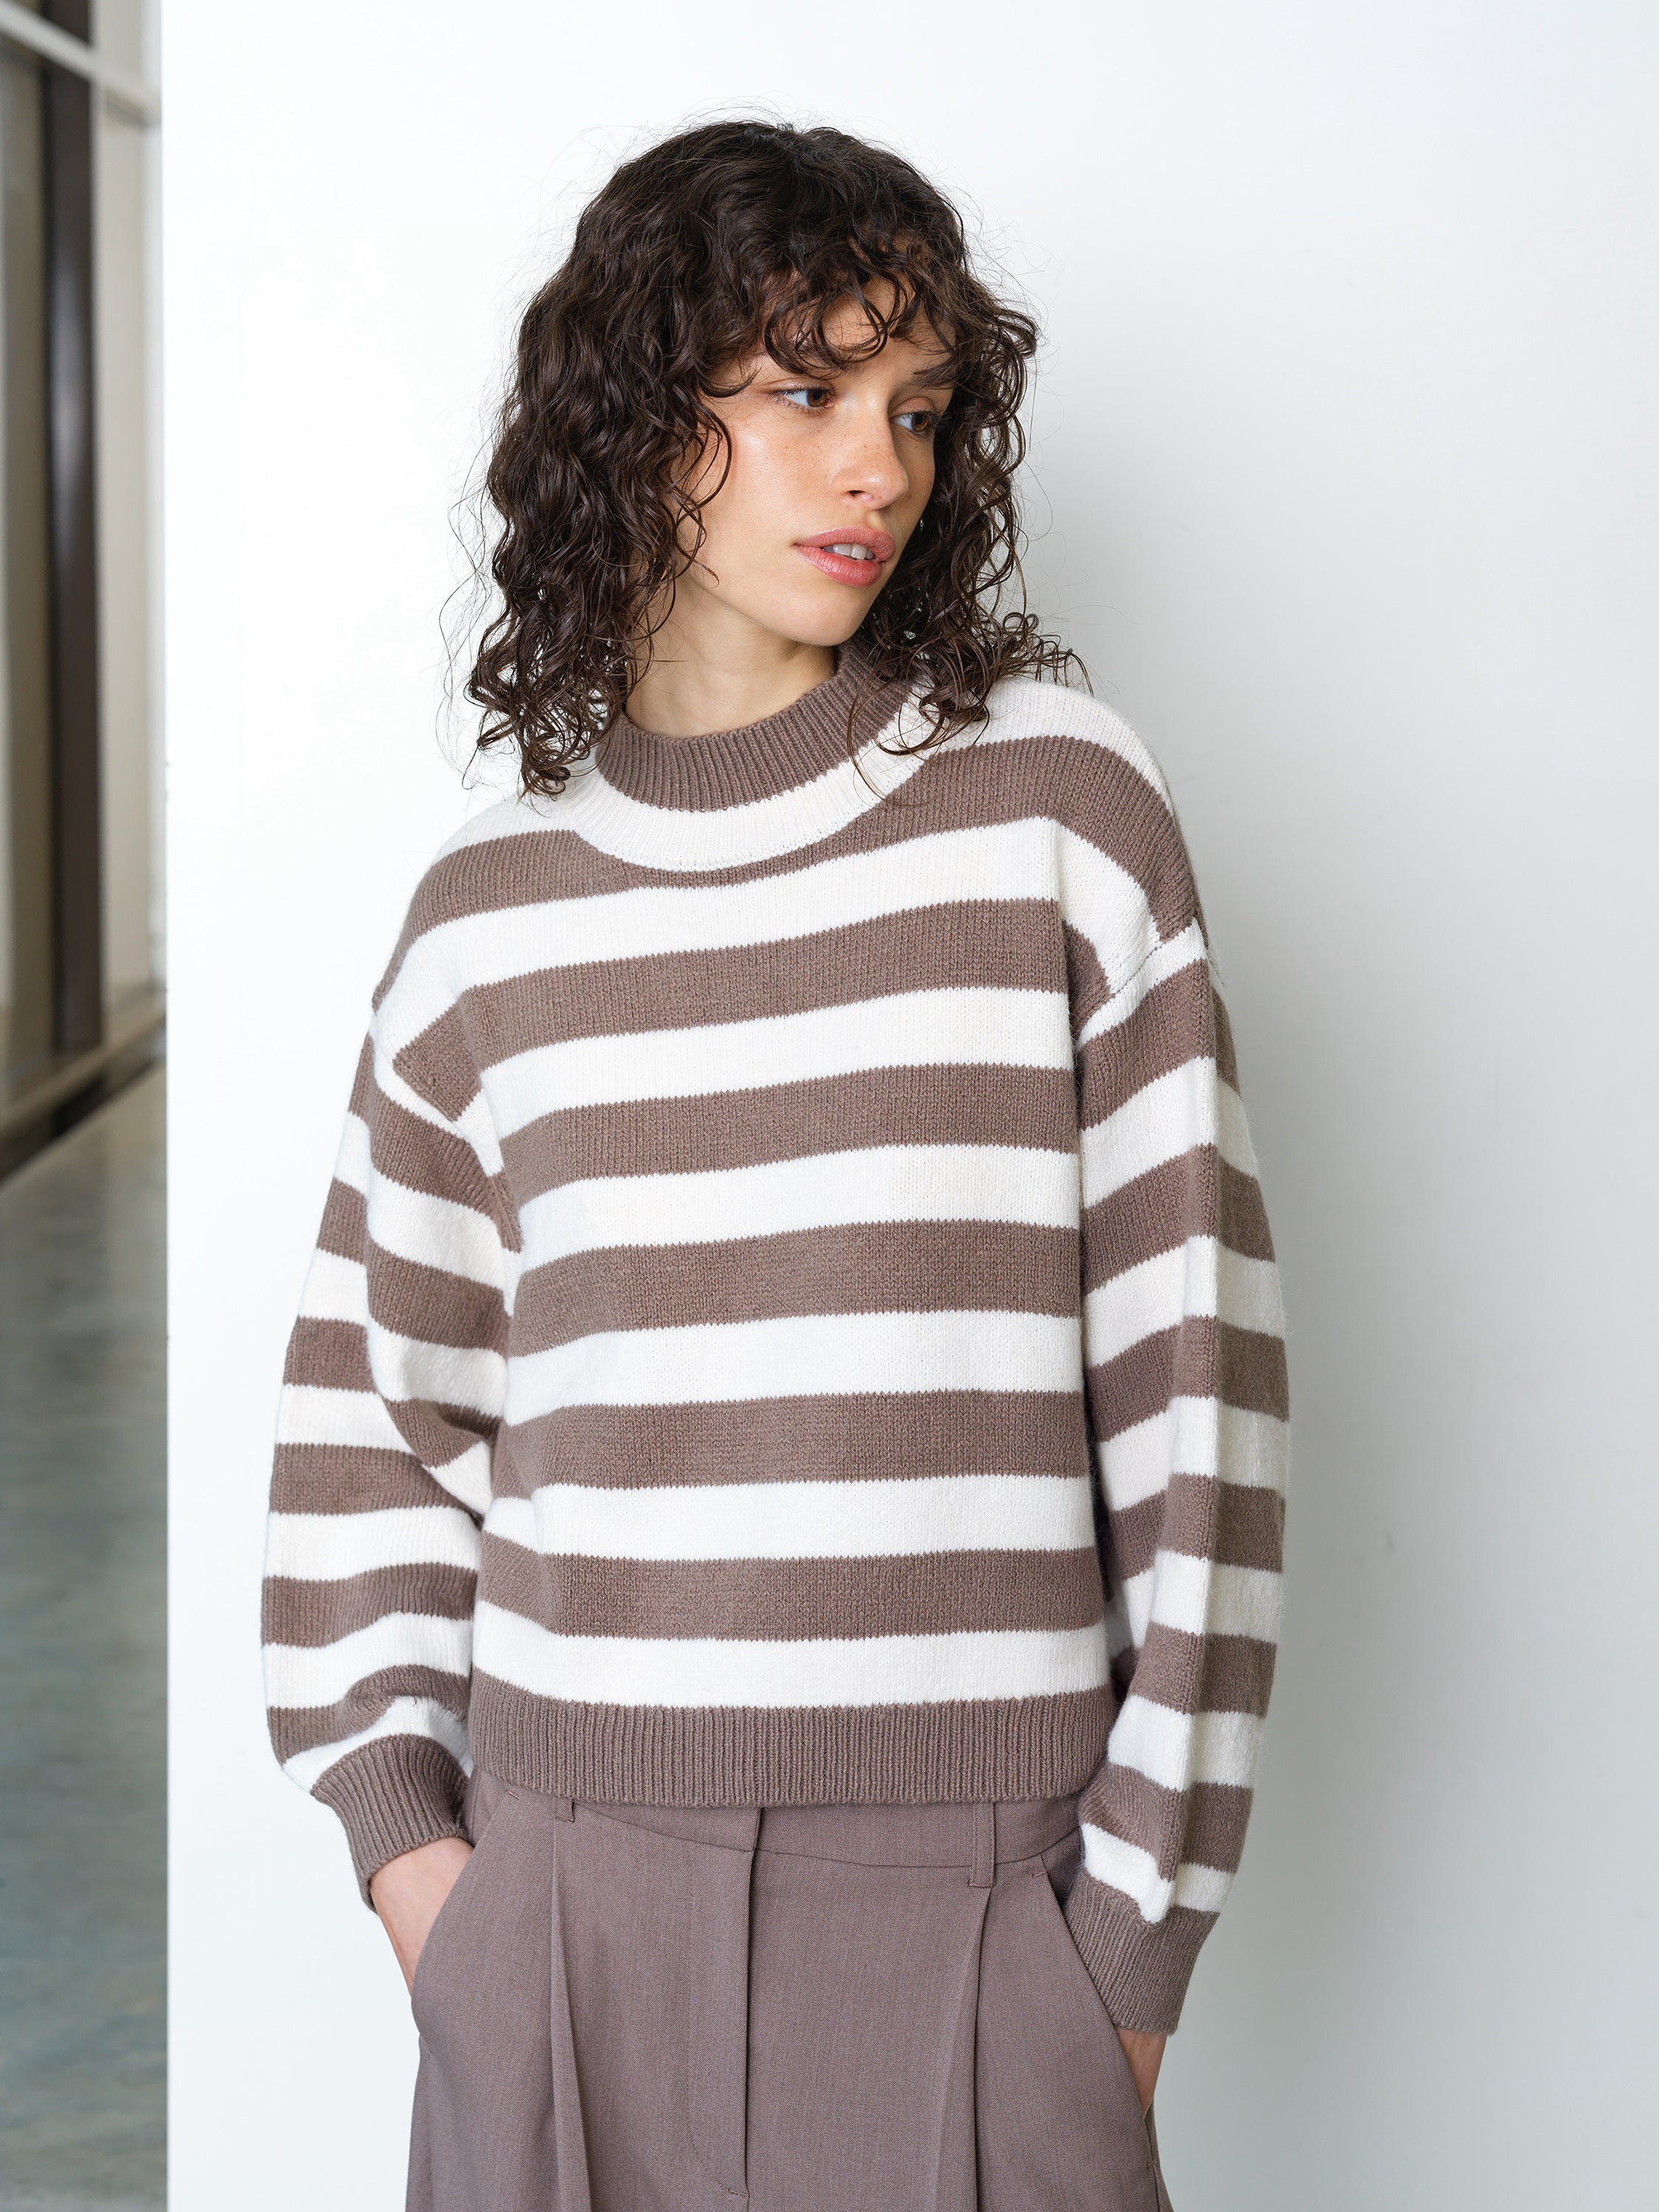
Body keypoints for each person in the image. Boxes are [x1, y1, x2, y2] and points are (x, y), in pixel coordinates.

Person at [261, 117, 1288, 2212]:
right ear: (638, 418)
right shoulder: (489, 912)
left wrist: (1121, 1952)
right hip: (561, 1901)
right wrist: (428, 1882)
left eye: (915, 406)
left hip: (985, 1909)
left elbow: (1204, 1410)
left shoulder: (1055, 816)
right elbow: (369, 1424)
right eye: (805, 393)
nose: (877, 467)